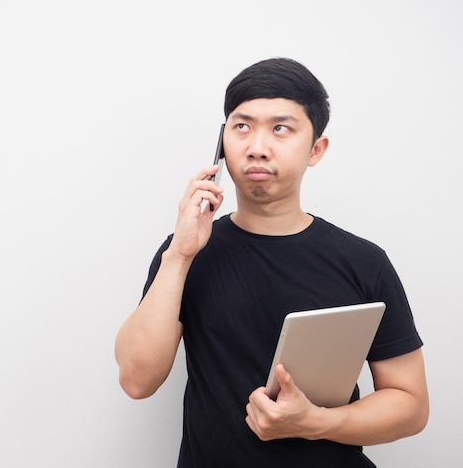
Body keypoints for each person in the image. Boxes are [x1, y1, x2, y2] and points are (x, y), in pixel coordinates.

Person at [114, 57, 429, 467]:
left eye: (281, 129)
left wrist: (315, 422)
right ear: (222, 141)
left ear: (317, 149)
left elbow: (411, 405)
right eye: (241, 126)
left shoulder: (363, 262)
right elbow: (137, 381)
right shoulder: (184, 252)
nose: (257, 147)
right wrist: (179, 255)